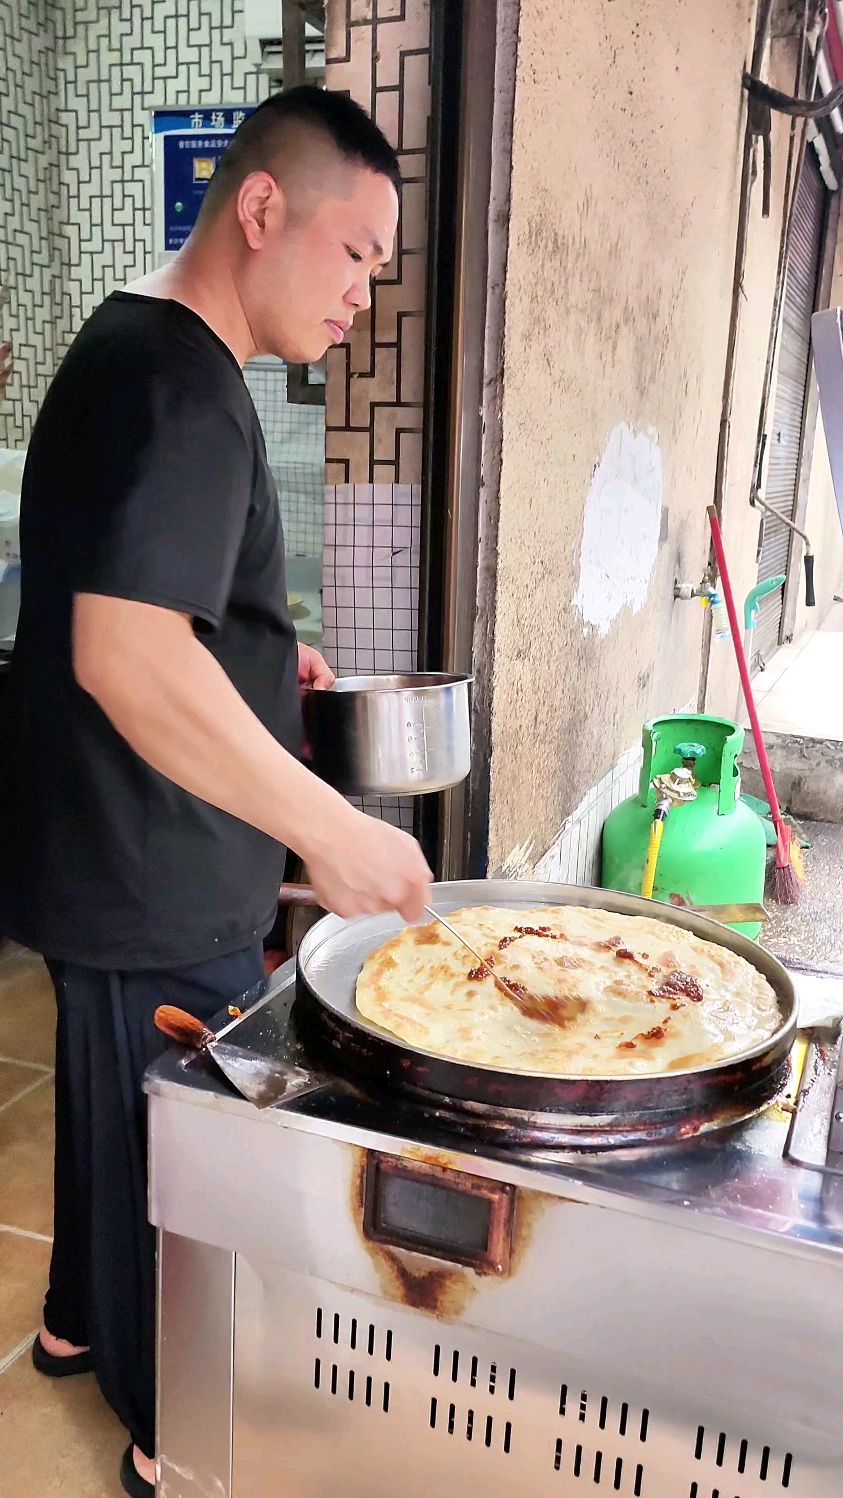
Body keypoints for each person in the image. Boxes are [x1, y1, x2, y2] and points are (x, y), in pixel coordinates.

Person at [0, 87, 432, 1497]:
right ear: (261, 211)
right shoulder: (181, 380)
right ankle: (168, 1431)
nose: (366, 292)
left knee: (104, 1098)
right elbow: (123, 652)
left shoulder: (130, 345)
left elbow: (133, 592)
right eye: (357, 252)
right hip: (155, 862)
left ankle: (70, 1323)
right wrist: (332, 829)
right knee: (173, 1159)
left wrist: (258, 639)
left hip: (94, 852)